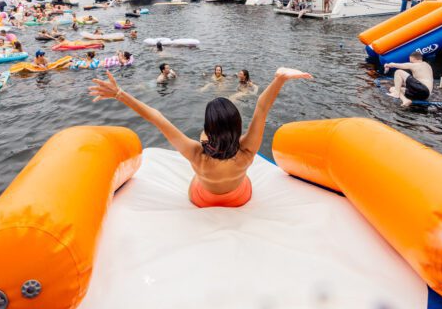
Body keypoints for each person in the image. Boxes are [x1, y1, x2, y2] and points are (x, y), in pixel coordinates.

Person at [88, 67, 312, 208]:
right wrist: (280, 78)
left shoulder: (196, 154)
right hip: (240, 198)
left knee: (197, 181)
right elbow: (262, 107)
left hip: (202, 200)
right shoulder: (247, 151)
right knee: (242, 180)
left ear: (208, 129)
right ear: (236, 127)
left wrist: (119, 94)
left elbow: (156, 118)